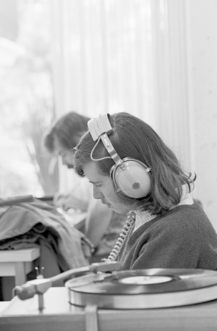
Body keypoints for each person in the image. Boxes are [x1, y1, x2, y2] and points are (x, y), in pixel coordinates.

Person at [73, 112, 217, 270]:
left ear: (131, 177)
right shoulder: (150, 218)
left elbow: (137, 295)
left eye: (98, 184)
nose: (95, 195)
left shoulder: (172, 234)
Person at [44, 112, 127, 259]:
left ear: (76, 143)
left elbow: (101, 210)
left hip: (112, 255)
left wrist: (84, 251)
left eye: (62, 154)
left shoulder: (103, 161)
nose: (64, 163)